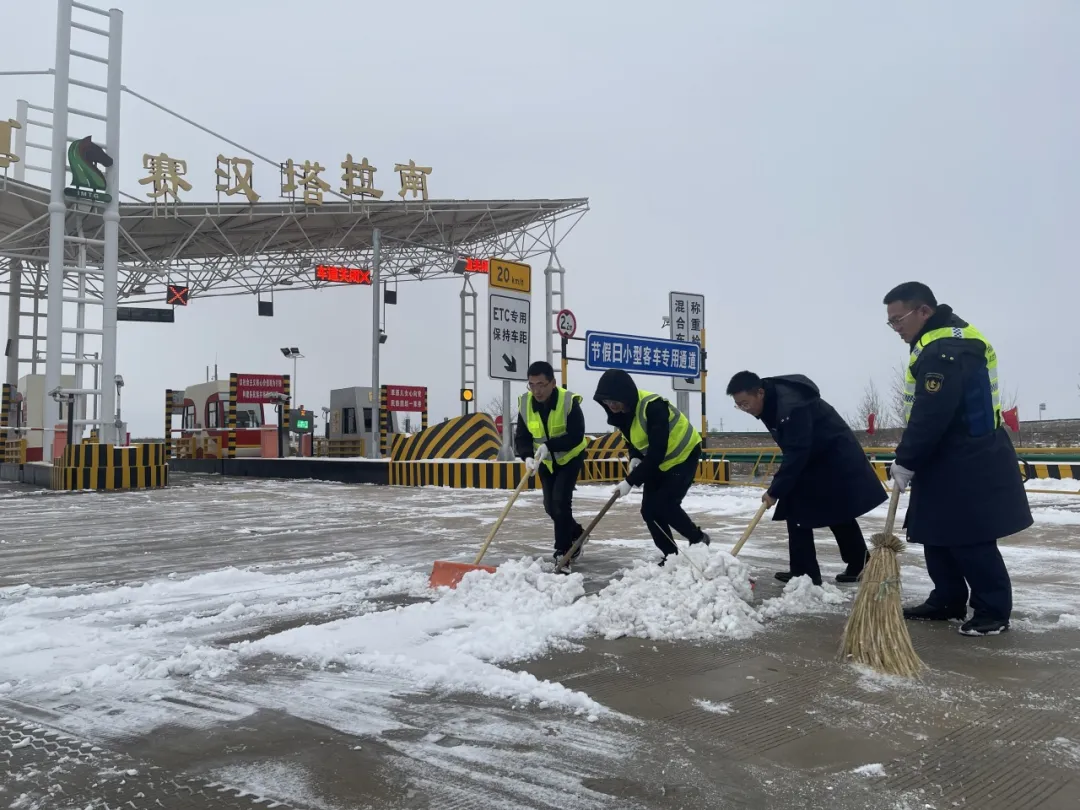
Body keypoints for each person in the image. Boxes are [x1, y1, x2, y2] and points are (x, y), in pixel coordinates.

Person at [883, 282, 1032, 636]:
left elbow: (933, 413)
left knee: (969, 537)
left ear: (924, 311)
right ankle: (947, 598)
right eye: (890, 322)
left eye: (898, 319)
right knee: (936, 532)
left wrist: (906, 459)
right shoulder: (935, 343)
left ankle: (993, 611)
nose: (896, 328)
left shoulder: (946, 349)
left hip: (967, 458)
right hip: (944, 457)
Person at [726, 371, 886, 586]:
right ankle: (853, 563)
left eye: (745, 403)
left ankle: (808, 574)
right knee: (833, 509)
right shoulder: (773, 403)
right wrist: (782, 481)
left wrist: (775, 490)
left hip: (832, 457)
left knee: (802, 508)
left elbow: (797, 451)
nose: (745, 409)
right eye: (739, 405)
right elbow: (795, 449)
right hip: (817, 457)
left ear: (760, 393)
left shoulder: (791, 406)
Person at [592, 369, 710, 565]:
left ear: (626, 395)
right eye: (607, 403)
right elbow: (633, 441)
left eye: (614, 401)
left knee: (665, 504)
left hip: (684, 455)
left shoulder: (653, 407)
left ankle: (698, 539)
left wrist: (630, 481)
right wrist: (635, 457)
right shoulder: (621, 414)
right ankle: (670, 555)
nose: (611, 406)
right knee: (648, 510)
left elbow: (657, 452)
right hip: (659, 462)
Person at [514, 361, 588, 572]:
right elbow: (522, 436)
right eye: (531, 385)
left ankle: (563, 553)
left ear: (552, 383)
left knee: (560, 502)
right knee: (549, 506)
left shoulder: (568, 401)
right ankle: (577, 534)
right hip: (544, 461)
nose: (536, 390)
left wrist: (550, 445)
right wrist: (526, 456)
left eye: (541, 384)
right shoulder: (525, 404)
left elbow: (576, 436)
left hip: (569, 458)